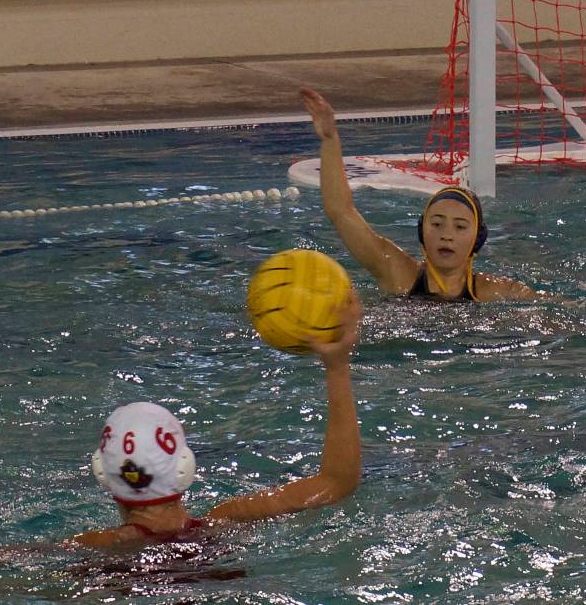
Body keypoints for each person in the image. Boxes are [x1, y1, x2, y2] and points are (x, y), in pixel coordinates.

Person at [71, 293, 363, 549]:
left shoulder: (93, 548)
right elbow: (336, 482)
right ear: (184, 467)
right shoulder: (228, 523)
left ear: (103, 473)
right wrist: (337, 367)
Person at [301, 87, 535, 302]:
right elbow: (341, 211)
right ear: (422, 230)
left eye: (460, 227)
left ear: (478, 239)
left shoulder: (496, 292)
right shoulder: (398, 274)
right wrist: (330, 140)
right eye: (437, 224)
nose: (447, 235)